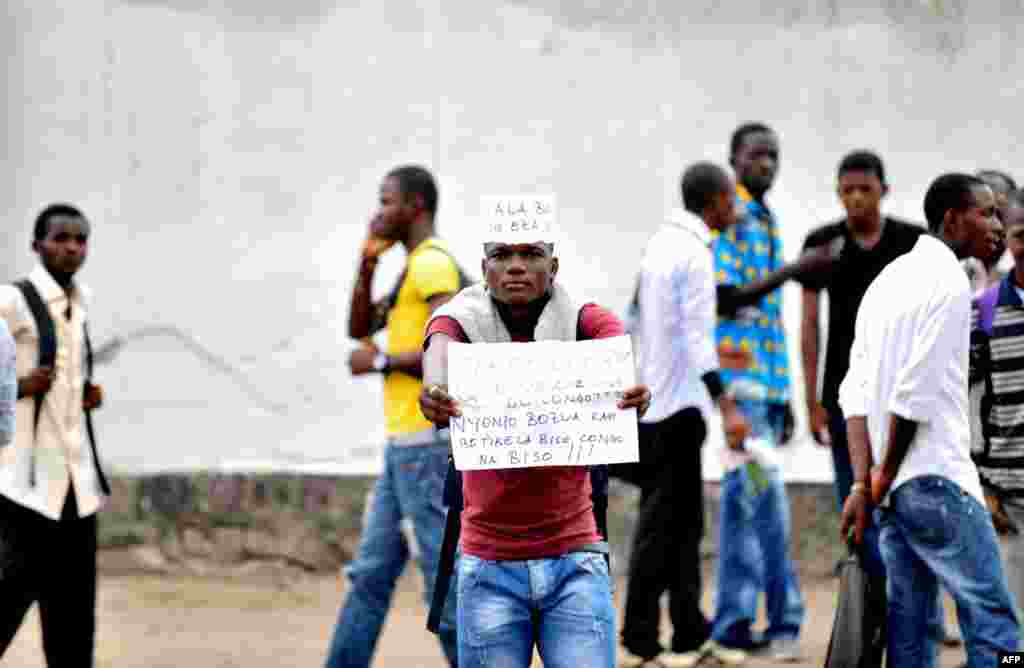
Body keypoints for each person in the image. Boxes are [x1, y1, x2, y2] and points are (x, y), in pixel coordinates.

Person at [418, 223, 652, 668]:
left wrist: (633, 387)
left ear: (554, 266)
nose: (517, 267)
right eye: (502, 255)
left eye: (531, 254)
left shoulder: (581, 316)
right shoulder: (461, 316)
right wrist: (434, 387)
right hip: (488, 565)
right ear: (484, 268)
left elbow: (616, 345)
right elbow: (439, 344)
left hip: (575, 561)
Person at [839, 173, 1019, 668]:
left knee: (910, 630)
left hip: (895, 495)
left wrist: (864, 484)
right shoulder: (949, 284)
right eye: (987, 213)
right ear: (952, 219)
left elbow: (852, 393)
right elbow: (914, 394)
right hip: (938, 482)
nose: (998, 226)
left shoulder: (886, 283)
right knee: (997, 625)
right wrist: (883, 472)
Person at [614, 163, 751, 668]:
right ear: (715, 201)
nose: (734, 210)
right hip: (678, 412)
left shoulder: (659, 246)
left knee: (679, 527)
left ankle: (689, 633)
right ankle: (643, 639)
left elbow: (634, 319)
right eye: (730, 201)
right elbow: (697, 339)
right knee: (664, 528)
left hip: (657, 404)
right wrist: (726, 404)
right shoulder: (694, 255)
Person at [325, 165, 461, 668]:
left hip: (427, 444)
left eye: (386, 201)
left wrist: (381, 361)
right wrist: (365, 262)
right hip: (401, 446)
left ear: (416, 206)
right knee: (371, 576)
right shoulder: (410, 266)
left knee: (442, 582)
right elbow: (358, 325)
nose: (378, 211)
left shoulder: (432, 263)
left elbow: (448, 348)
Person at [705, 122, 806, 665]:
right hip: (739, 389)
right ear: (734, 160)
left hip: (765, 389)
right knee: (754, 506)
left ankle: (751, 621)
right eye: (756, 155)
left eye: (773, 154)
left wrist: (786, 392)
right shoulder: (731, 217)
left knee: (757, 505)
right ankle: (750, 622)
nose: (766, 163)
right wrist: (795, 271)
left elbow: (769, 319)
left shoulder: (767, 219)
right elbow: (724, 298)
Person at [0, 203, 108, 665]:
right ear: (36, 245)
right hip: (24, 493)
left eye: (80, 240)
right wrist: (20, 387)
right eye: (60, 238)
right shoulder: (12, 300)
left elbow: (65, 382)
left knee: (72, 624)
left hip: (76, 492)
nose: (71, 248)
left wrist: (82, 394)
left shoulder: (80, 304)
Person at [800, 150, 923, 542]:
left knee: (900, 495)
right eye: (847, 190)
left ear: (883, 190)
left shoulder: (912, 242)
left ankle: (898, 594)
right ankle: (863, 592)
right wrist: (811, 401)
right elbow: (809, 324)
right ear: (838, 192)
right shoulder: (822, 245)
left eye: (865, 189)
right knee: (854, 498)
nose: (856, 198)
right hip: (841, 391)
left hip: (897, 391)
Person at [970, 188, 1024, 618]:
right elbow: (970, 404)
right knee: (1013, 615)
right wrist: (982, 483)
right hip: (1010, 493)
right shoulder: (985, 311)